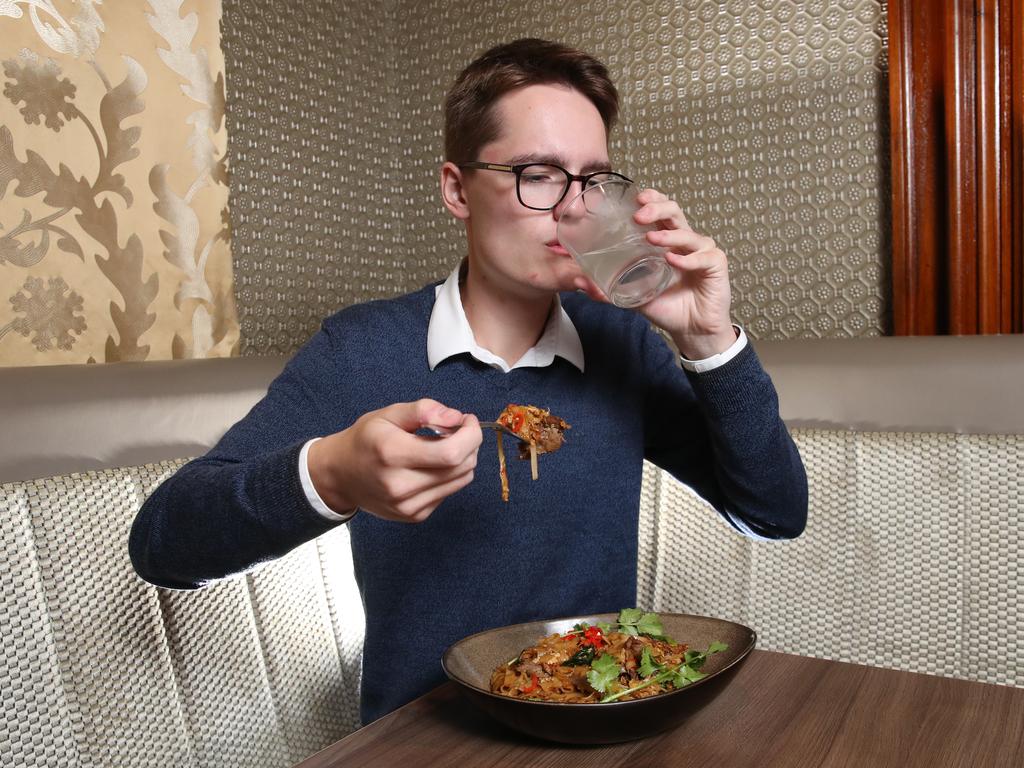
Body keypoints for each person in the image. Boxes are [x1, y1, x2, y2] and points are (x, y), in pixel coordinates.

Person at [129, 38, 807, 724]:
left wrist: (706, 337)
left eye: (594, 179)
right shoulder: (362, 348)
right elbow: (163, 542)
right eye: (539, 174)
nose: (575, 208)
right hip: (418, 742)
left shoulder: (622, 346)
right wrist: (333, 473)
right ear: (457, 189)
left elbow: (776, 513)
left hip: (601, 732)